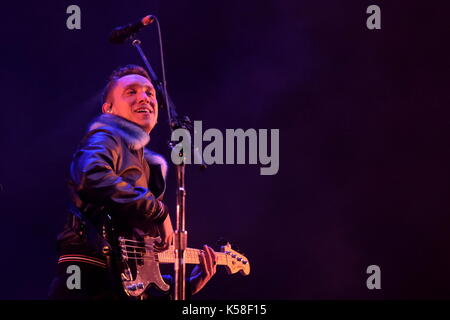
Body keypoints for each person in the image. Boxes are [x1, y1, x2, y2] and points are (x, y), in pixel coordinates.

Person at [48, 64, 217, 300]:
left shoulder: (145, 167)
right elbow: (91, 175)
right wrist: (157, 210)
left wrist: (187, 286)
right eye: (132, 92)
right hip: (88, 276)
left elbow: (138, 275)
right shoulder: (106, 136)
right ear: (109, 110)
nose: (145, 98)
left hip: (110, 282)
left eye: (150, 93)